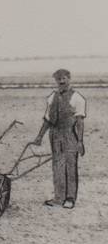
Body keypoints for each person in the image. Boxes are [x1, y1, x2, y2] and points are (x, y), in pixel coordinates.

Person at [31, 68, 86, 209]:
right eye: (58, 79)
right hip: (54, 136)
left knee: (70, 167)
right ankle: (58, 197)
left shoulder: (77, 98)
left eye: (64, 78)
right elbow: (48, 120)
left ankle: (70, 199)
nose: (61, 81)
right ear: (55, 81)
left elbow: (80, 121)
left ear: (69, 78)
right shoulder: (52, 97)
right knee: (57, 167)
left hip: (70, 135)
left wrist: (80, 142)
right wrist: (39, 137)